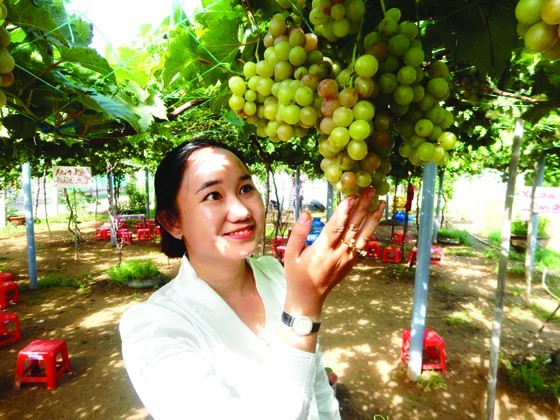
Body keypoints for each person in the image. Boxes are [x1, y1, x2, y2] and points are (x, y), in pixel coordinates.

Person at [119, 136, 386, 419]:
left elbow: (317, 381)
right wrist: (302, 312)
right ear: (173, 222)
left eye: (245, 188)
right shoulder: (152, 327)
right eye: (213, 195)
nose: (242, 211)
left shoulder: (275, 273)